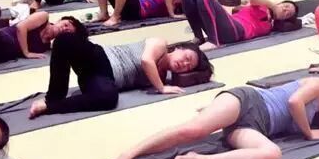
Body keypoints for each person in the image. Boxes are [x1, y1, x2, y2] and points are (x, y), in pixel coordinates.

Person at [109, 76, 319, 159]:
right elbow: (293, 102)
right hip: (249, 102)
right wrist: (309, 134)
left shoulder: (316, 116)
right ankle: (128, 155)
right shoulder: (318, 84)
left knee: (272, 155)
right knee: (194, 131)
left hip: (255, 127)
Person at [29, 35, 212, 117]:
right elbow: (146, 61)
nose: (184, 64)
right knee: (64, 40)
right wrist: (162, 88)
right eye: (186, 58)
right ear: (178, 48)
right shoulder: (160, 44)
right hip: (101, 57)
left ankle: (51, 106)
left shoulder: (163, 77)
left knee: (109, 98)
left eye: (188, 67)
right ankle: (54, 96)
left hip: (100, 80)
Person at [179, 0, 299, 50]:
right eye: (286, 6)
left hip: (236, 31)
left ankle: (213, 42)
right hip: (226, 24)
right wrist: (272, 6)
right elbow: (253, 0)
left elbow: (254, 0)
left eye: (288, 14)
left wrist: (273, 9)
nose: (285, 10)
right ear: (280, 3)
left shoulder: (269, 23)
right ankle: (199, 37)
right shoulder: (264, 5)